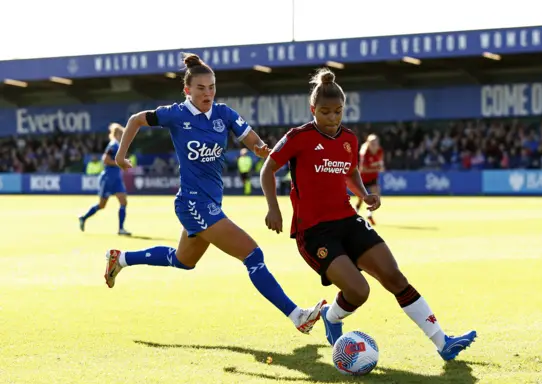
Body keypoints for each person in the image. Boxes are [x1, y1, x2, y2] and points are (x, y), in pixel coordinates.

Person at [259, 68, 476, 361]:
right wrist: (273, 207)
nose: (333, 118)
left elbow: (350, 171)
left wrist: (363, 193)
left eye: (338, 111)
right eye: (325, 112)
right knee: (359, 291)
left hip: (348, 220)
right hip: (314, 231)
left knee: (394, 277)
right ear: (313, 110)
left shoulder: (348, 138)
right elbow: (267, 169)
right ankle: (332, 317)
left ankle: (443, 343)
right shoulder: (298, 137)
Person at [104, 53, 326, 334]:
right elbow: (136, 119)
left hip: (210, 202)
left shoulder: (224, 114)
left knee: (183, 261)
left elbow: (250, 138)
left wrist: (260, 148)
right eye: (200, 88)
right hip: (192, 203)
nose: (208, 93)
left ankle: (120, 259)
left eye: (211, 87)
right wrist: (122, 156)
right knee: (253, 255)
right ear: (187, 90)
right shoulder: (175, 114)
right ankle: (297, 316)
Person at [79, 123, 132, 235]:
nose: (123, 136)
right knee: (102, 205)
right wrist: (120, 163)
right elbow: (105, 160)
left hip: (116, 179)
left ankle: (121, 229)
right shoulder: (113, 145)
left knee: (123, 201)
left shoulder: (118, 145)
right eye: (122, 133)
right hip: (108, 178)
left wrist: (123, 163)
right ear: (117, 134)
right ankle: (83, 218)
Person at [355, 134, 384, 225]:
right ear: (368, 143)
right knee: (361, 199)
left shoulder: (380, 151)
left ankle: (369, 214)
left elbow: (381, 164)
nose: (374, 145)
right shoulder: (364, 152)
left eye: (375, 143)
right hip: (362, 178)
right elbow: (363, 169)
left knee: (376, 194)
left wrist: (378, 166)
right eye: (372, 143)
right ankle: (355, 212)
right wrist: (376, 168)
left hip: (373, 178)